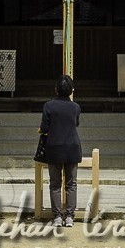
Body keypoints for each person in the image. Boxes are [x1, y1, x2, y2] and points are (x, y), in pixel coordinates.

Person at [39, 74, 82, 227]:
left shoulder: (48, 106)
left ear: (56, 89)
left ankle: (57, 216)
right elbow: (76, 124)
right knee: (71, 184)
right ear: (71, 90)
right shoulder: (75, 107)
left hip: (54, 147)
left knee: (55, 184)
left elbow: (44, 128)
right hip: (72, 147)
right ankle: (70, 216)